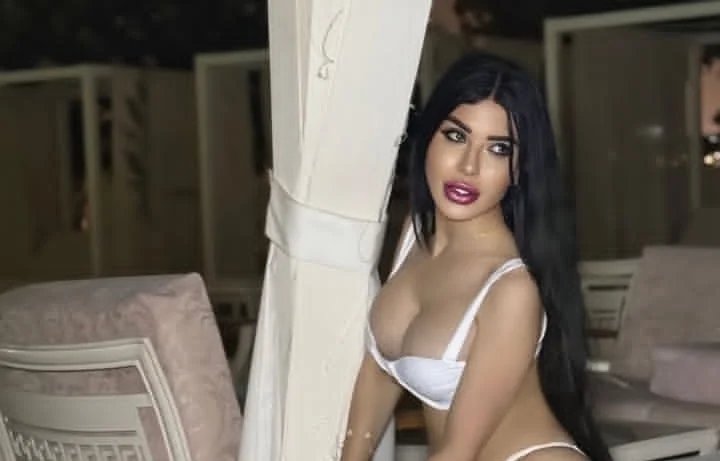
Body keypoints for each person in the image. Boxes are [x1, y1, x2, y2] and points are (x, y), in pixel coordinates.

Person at [340, 53, 611, 461]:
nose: (469, 166)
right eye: (456, 136)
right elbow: (381, 372)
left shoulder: (511, 288)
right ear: (427, 137)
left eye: (498, 149)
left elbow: (458, 452)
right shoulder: (414, 234)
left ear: (518, 169)